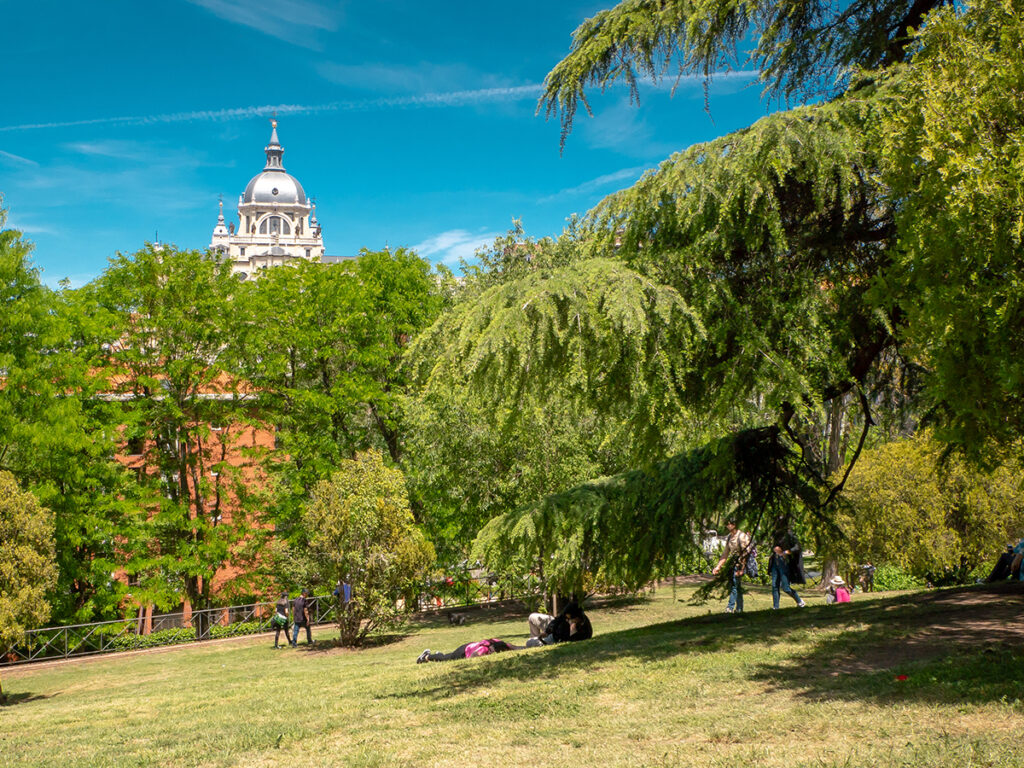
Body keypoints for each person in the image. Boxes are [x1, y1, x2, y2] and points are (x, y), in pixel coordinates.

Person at [712, 521, 751, 613]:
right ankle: (739, 609)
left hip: (741, 564)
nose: (728, 525)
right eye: (727, 524)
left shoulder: (741, 536)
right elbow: (725, 553)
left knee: (734, 585)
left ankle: (730, 608)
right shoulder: (729, 537)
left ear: (735, 524)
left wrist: (742, 569)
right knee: (736, 586)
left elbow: (745, 554)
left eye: (730, 523)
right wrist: (718, 567)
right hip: (733, 564)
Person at [526, 600, 592, 647]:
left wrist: (572, 627)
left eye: (569, 619)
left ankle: (535, 644)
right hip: (555, 629)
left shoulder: (585, 630)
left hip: (556, 637)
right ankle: (536, 640)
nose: (566, 619)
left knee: (529, 642)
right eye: (566, 618)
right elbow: (557, 620)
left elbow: (571, 643)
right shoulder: (568, 615)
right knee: (532, 617)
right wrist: (547, 631)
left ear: (577, 618)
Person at [768, 531, 807, 609]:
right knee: (774, 586)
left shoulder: (789, 534)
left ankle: (800, 601)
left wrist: (785, 552)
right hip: (775, 562)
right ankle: (776, 607)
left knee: (785, 587)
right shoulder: (775, 533)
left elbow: (797, 547)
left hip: (784, 563)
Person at [416, 638, 520, 663]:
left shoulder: (498, 643)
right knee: (446, 659)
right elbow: (472, 658)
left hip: (469, 646)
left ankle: (436, 654)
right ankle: (426, 657)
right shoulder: (484, 649)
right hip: (463, 652)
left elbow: (514, 647)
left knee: (447, 656)